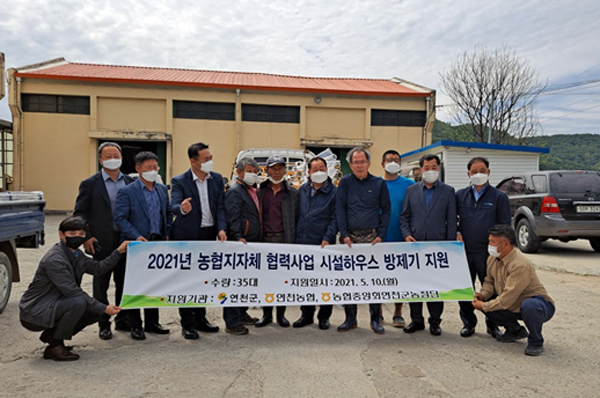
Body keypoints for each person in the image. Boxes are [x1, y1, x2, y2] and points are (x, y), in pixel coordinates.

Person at [19, 216, 129, 361]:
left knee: (95, 310)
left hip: (54, 304)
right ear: (61, 234)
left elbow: (99, 268)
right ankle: (55, 347)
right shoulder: (55, 259)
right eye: (72, 234)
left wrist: (119, 251)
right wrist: (104, 308)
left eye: (81, 234)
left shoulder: (76, 254)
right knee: (79, 303)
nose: (77, 237)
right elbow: (72, 292)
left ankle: (53, 336)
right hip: (35, 310)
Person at [73, 142, 134, 340]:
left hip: (126, 240)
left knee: (124, 281)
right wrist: (87, 236)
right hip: (101, 240)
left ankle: (122, 319)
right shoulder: (90, 184)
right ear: (100, 159)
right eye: (107, 156)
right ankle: (103, 322)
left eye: (115, 155)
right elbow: (80, 214)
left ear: (122, 158)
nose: (112, 159)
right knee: (101, 283)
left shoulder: (130, 182)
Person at [170, 142, 227, 339]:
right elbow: (174, 205)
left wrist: (221, 228)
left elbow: (220, 206)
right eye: (206, 159)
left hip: (210, 235)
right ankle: (188, 323)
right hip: (187, 237)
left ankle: (201, 319)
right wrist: (182, 209)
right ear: (193, 162)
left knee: (204, 279)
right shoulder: (180, 181)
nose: (210, 162)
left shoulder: (217, 179)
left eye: (210, 158)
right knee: (186, 280)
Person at [472, 224, 555, 356]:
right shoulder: (492, 258)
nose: (489, 245)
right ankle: (514, 330)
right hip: (512, 304)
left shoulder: (519, 265)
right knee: (485, 302)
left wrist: (483, 306)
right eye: (489, 241)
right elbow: (489, 282)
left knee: (530, 306)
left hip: (538, 305)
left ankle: (536, 341)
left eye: (492, 242)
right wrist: (482, 295)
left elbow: (507, 298)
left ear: (505, 244)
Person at [114, 151, 172, 340]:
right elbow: (120, 219)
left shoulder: (162, 190)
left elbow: (167, 214)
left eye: (155, 167)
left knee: (153, 285)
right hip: (136, 245)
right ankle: (135, 325)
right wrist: (136, 236)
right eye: (149, 168)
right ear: (138, 169)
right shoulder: (127, 192)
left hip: (156, 244)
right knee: (134, 286)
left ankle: (152, 322)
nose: (153, 171)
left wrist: (167, 234)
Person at [400, 154, 457, 336]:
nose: (430, 171)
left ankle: (435, 322)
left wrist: (448, 246)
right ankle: (416, 320)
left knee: (435, 287)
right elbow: (404, 217)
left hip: (438, 247)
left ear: (438, 169)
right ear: (420, 169)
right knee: (415, 286)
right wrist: (407, 235)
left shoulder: (448, 191)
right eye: (426, 167)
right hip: (415, 246)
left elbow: (451, 220)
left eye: (434, 167)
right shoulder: (411, 190)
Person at [336, 147, 390, 334]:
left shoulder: (379, 184)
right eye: (355, 162)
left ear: (368, 163)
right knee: (349, 281)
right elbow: (340, 209)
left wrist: (381, 235)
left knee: (373, 281)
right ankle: (350, 319)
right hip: (350, 239)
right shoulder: (344, 183)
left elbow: (386, 210)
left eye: (362, 161)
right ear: (350, 165)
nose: (359, 165)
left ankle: (375, 320)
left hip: (372, 239)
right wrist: (344, 234)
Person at [456, 157, 511, 338]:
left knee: (492, 290)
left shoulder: (499, 197)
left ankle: (493, 324)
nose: (478, 174)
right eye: (474, 171)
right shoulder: (460, 196)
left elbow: (505, 225)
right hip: (464, 251)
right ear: (468, 174)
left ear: (488, 172)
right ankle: (468, 323)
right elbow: (453, 220)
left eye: (482, 170)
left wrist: (495, 242)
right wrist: (456, 231)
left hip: (488, 253)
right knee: (464, 289)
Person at [293, 156, 337, 330]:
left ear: (327, 170)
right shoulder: (303, 190)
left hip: (323, 243)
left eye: (322, 169)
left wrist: (328, 237)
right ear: (309, 173)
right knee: (306, 281)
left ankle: (324, 316)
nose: (318, 172)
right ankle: (307, 314)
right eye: (315, 169)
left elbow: (335, 218)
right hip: (303, 242)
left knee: (325, 281)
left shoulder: (334, 192)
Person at [256, 155, 299, 328]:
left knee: (282, 280)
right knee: (265, 279)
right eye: (273, 168)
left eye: (280, 168)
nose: (277, 171)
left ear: (285, 170)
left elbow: (297, 217)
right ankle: (266, 314)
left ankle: (281, 314)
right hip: (264, 240)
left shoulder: (293, 193)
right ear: (267, 170)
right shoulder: (260, 191)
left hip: (284, 239)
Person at [225, 157, 263, 330]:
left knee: (246, 282)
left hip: (253, 243)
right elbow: (233, 217)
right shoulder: (235, 191)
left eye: (255, 172)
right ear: (239, 172)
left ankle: (242, 313)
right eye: (249, 171)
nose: (253, 174)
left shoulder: (252, 190)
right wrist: (237, 236)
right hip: (241, 243)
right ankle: (232, 321)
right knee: (235, 282)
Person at [380, 149, 415, 329]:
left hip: (401, 238)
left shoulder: (409, 185)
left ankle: (398, 313)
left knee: (400, 278)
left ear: (400, 164)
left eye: (396, 160)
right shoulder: (375, 184)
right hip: (378, 239)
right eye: (389, 160)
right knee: (378, 278)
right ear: (382, 164)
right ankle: (377, 313)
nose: (393, 162)